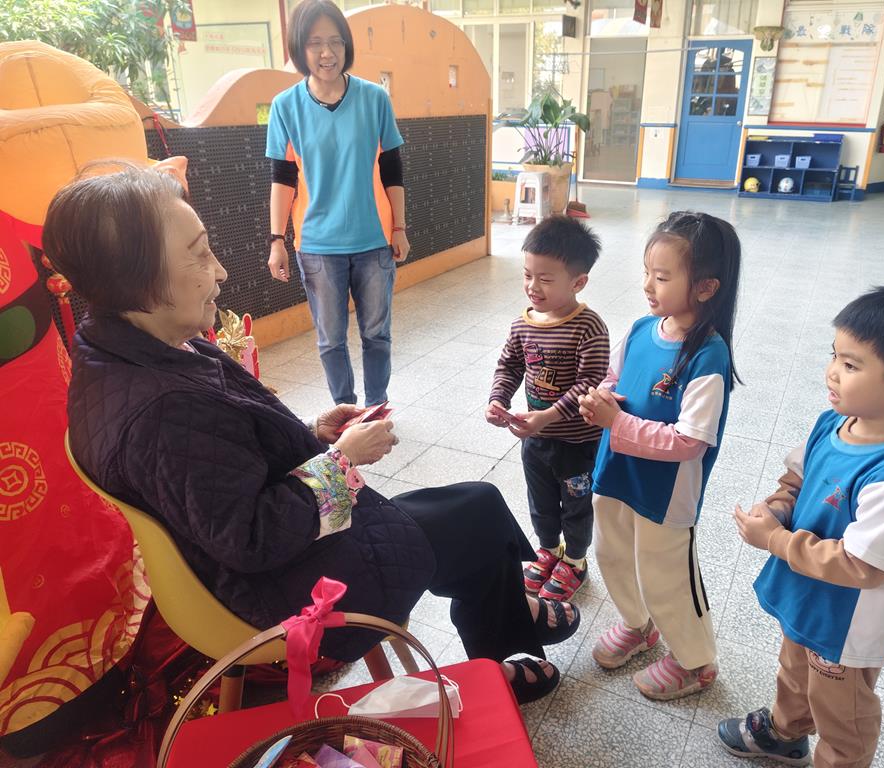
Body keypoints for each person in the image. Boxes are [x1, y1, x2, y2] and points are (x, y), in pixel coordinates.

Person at [47, 163, 580, 705]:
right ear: (140, 281)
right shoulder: (162, 410)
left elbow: (214, 465)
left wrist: (311, 432)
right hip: (277, 587)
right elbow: (251, 537)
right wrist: (342, 462)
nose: (221, 271)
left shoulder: (126, 351)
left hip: (276, 554)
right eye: (200, 254)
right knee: (477, 516)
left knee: (473, 507)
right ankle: (502, 657)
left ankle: (509, 611)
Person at [722, 286, 884, 767]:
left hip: (848, 626)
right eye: (834, 355)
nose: (832, 372)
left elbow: (862, 566)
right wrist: (777, 509)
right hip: (809, 596)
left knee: (844, 713)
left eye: (851, 364)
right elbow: (798, 479)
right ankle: (786, 732)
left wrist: (775, 540)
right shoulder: (833, 423)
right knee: (794, 671)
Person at [578, 211, 742, 700]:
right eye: (647, 272)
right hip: (615, 474)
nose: (648, 285)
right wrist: (602, 397)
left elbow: (690, 441)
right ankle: (638, 624)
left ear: (706, 287)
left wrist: (617, 423)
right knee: (612, 555)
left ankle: (695, 661)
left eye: (663, 276)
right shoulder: (640, 329)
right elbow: (615, 379)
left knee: (666, 576)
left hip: (665, 495)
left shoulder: (708, 355)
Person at [266, 0, 409, 405]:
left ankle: (376, 408)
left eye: (335, 42)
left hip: (373, 240)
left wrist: (399, 228)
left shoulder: (374, 99)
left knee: (377, 335)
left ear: (346, 45)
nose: (326, 52)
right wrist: (276, 240)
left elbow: (392, 169)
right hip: (316, 244)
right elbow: (283, 178)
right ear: (300, 48)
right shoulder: (285, 106)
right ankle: (344, 413)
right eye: (315, 43)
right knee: (330, 340)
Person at [485, 215, 609, 602]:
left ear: (578, 282)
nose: (532, 287)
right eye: (527, 275)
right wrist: (498, 399)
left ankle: (575, 561)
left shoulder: (588, 327)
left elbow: (590, 382)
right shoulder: (523, 324)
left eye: (545, 279)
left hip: (577, 444)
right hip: (535, 440)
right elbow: (509, 366)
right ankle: (548, 550)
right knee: (540, 503)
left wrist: (549, 416)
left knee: (576, 507)